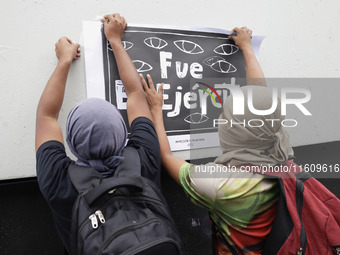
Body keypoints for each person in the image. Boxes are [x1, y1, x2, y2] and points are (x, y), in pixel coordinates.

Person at [142, 27, 291, 254]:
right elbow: (260, 98)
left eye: (226, 117)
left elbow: (166, 157)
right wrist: (247, 48)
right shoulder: (279, 146)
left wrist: (155, 110)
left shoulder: (219, 184)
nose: (221, 118)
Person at [35, 14, 163, 254]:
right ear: (122, 131)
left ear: (71, 142)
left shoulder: (58, 181)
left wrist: (64, 60)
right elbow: (135, 94)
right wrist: (115, 40)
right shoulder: (145, 158)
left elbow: (46, 117)